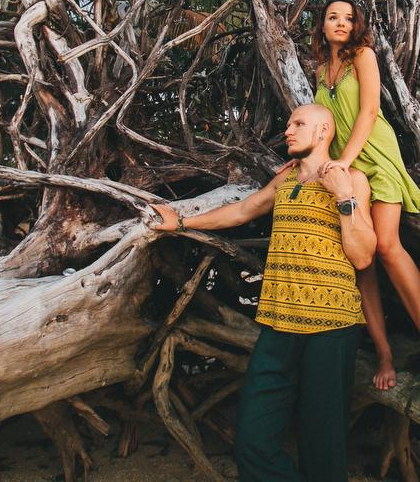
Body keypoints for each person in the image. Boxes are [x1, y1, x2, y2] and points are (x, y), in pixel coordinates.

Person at [151, 103, 377, 482]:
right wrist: (181, 223)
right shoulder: (285, 181)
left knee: (323, 446)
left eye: (299, 124)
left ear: (324, 132)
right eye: (288, 123)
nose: (288, 130)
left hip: (331, 324)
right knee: (253, 439)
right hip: (278, 322)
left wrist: (343, 197)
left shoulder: (352, 179)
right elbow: (242, 211)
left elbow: (363, 256)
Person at [312, 0, 420, 394]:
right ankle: (384, 353)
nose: (340, 23)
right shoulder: (320, 70)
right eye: (332, 17)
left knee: (388, 246)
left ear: (356, 24)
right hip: (347, 167)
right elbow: (322, 126)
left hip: (374, 155)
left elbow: (369, 111)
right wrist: (313, 165)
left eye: (348, 17)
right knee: (360, 260)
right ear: (322, 26)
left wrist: (344, 160)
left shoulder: (363, 55)